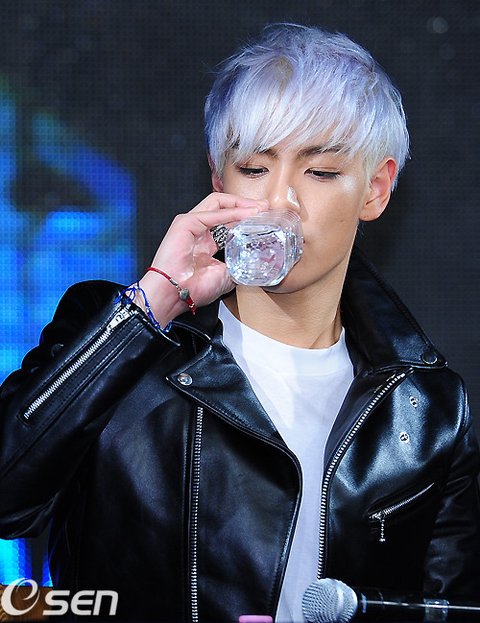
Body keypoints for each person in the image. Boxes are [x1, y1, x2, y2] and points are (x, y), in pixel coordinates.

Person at [0, 23, 479, 623]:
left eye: (320, 172)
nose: (280, 201)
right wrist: (154, 303)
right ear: (217, 179)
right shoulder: (121, 337)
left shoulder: (425, 409)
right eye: (253, 168)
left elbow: (448, 607)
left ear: (375, 190)